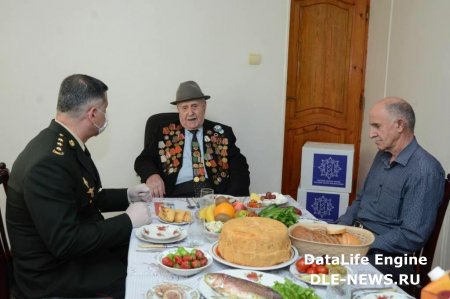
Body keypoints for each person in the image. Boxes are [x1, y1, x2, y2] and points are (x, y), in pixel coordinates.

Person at [6, 74, 152, 299]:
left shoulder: (64, 142)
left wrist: (128, 195)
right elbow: (66, 242)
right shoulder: (48, 162)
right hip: (50, 275)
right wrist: (128, 220)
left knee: (146, 247)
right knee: (142, 280)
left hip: (69, 255)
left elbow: (85, 197)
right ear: (93, 113)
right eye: (105, 109)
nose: (106, 116)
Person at [338, 97, 445, 284]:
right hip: (357, 238)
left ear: (400, 125)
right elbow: (361, 200)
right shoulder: (382, 155)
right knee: (305, 254)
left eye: (377, 126)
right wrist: (338, 228)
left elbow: (412, 236)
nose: (371, 134)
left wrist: (363, 245)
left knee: (330, 279)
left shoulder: (425, 170)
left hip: (390, 257)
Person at [134, 80, 250, 198]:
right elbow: (143, 160)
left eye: (195, 106)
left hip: (214, 195)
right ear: (178, 110)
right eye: (184, 108)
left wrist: (230, 199)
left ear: (204, 106)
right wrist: (152, 175)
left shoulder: (221, 133)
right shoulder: (164, 132)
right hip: (176, 194)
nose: (190, 113)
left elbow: (240, 169)